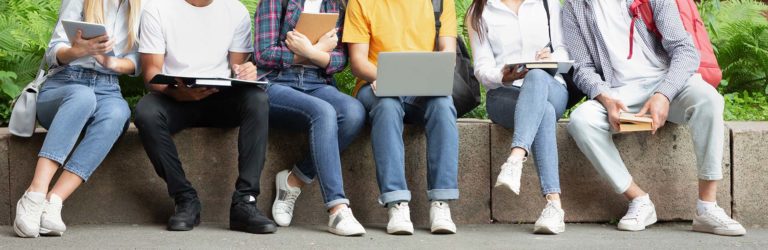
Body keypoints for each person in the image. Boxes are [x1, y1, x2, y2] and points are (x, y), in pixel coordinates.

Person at [562, 0, 746, 236]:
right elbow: (583, 68)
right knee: (581, 121)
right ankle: (639, 200)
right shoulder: (574, 6)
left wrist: (664, 94)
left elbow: (684, 50)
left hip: (668, 81)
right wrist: (606, 99)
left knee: (709, 100)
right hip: (618, 92)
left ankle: (707, 208)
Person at [133, 0, 276, 234]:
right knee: (146, 111)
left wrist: (247, 70)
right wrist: (178, 93)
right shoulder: (157, 8)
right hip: (176, 95)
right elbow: (151, 74)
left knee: (257, 99)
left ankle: (245, 202)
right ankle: (185, 199)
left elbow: (237, 67)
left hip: (220, 97)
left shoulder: (235, 10)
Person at [13, 0, 142, 238]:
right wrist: (79, 51)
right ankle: (34, 194)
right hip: (64, 82)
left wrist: (109, 62)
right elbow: (54, 51)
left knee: (118, 113)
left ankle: (54, 201)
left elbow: (136, 59)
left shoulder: (141, 6)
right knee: (82, 97)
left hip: (108, 87)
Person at [343, 0, 460, 235]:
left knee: (443, 104)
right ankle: (397, 203)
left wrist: (425, 77)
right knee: (387, 106)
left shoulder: (439, 1)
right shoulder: (361, 2)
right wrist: (387, 77)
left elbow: (448, 52)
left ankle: (441, 202)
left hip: (423, 85)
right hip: (376, 82)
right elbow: (357, 62)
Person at [253, 0, 367, 236]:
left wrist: (311, 51)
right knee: (323, 111)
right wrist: (313, 52)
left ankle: (294, 180)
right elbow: (264, 54)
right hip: (276, 83)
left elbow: (339, 61)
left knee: (353, 112)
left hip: (317, 84)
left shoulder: (335, 4)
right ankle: (337, 209)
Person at [467, 0, 569, 234]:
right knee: (543, 111)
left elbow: (565, 50)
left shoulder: (547, 3)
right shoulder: (480, 10)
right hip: (506, 94)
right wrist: (503, 75)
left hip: (551, 86)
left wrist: (550, 57)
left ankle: (515, 158)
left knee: (535, 77)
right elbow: (482, 69)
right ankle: (554, 205)